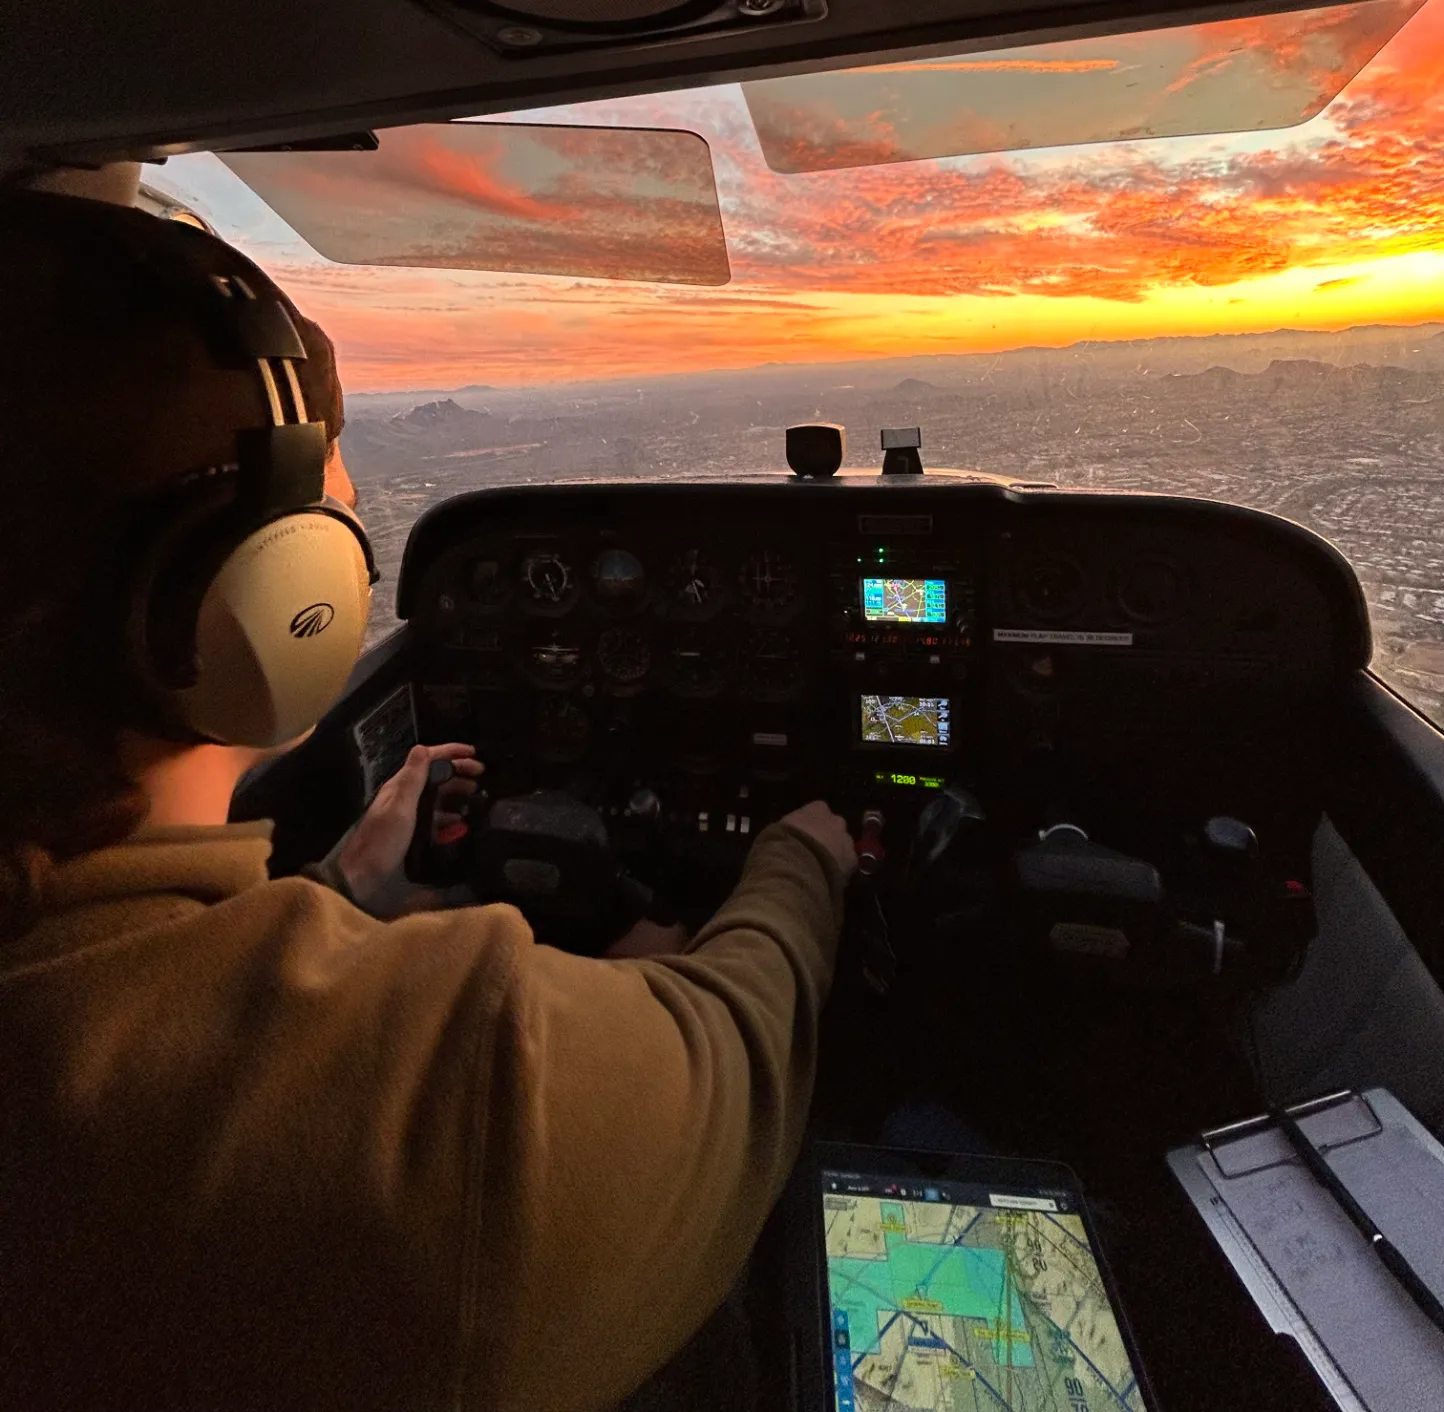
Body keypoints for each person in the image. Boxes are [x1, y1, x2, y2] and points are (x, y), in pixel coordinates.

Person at [0, 189, 858, 1411]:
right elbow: (738, 1041)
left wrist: (340, 895)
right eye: (332, 511)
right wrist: (803, 865)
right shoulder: (459, 1102)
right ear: (266, 591)